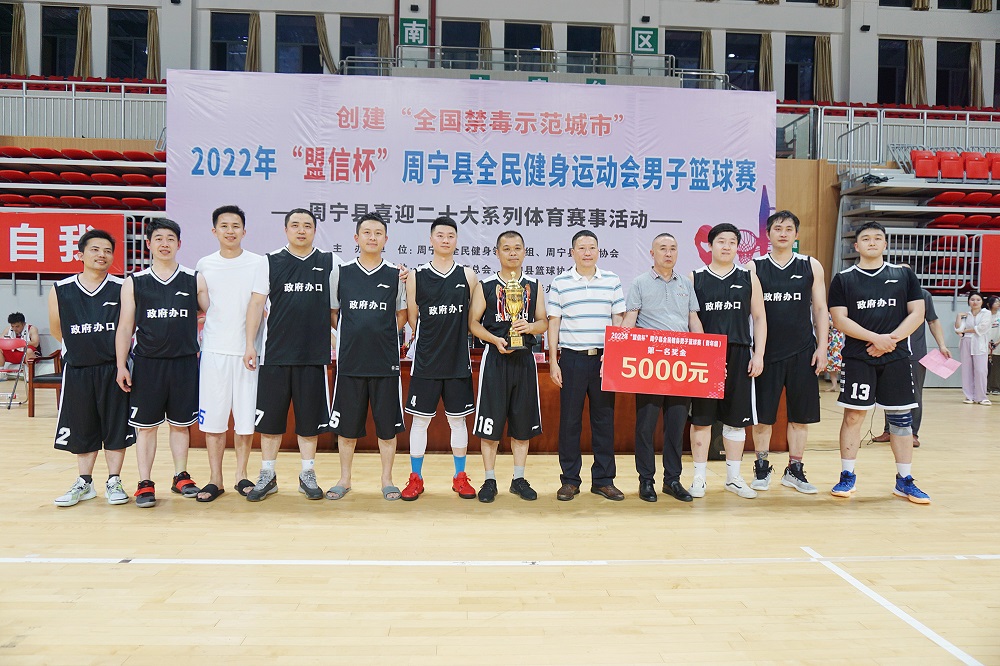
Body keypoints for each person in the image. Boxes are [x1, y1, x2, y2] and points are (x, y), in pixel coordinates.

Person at [828, 221, 929, 504]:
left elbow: (917, 313)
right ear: (856, 245)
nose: (871, 242)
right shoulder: (844, 279)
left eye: (877, 238)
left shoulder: (903, 275)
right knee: (853, 416)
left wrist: (890, 341)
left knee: (901, 419)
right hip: (858, 358)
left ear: (885, 244)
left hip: (897, 358)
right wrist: (876, 339)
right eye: (866, 238)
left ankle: (904, 480)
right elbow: (839, 319)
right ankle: (847, 475)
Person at [243, 208, 338, 502]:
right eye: (295, 225)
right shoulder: (270, 261)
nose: (301, 230)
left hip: (313, 356)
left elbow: (349, 291)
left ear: (314, 231)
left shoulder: (330, 261)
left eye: (307, 225)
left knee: (309, 422)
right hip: (275, 355)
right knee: (270, 422)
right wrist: (250, 345)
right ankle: (267, 474)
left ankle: (307, 474)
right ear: (286, 230)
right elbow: (256, 304)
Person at [116, 219, 209, 508]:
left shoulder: (194, 278)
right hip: (148, 364)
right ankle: (145, 482)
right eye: (159, 238)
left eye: (170, 238)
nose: (165, 244)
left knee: (181, 425)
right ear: (149, 244)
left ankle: (181, 476)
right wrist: (121, 365)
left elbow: (215, 314)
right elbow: (125, 327)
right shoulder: (135, 282)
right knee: (146, 427)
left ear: (179, 244)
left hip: (184, 363)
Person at [325, 212, 407, 501]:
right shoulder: (341, 272)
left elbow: (402, 315)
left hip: (385, 363)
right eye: (367, 232)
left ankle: (387, 480)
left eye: (378, 233)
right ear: (356, 237)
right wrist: (350, 336)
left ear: (386, 239)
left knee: (387, 428)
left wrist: (382, 335)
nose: (373, 237)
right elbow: (333, 313)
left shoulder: (396, 274)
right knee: (347, 428)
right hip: (350, 363)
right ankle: (344, 479)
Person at [48, 229, 133, 507]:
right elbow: (57, 329)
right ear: (80, 254)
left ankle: (114, 480)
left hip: (113, 369)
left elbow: (128, 327)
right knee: (83, 427)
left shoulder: (122, 287)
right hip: (78, 370)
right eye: (95, 249)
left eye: (108, 251)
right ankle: (84, 482)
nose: (102, 255)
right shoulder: (61, 289)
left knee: (116, 427)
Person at [400, 216, 479, 501]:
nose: (445, 240)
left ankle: (460, 477)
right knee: (420, 422)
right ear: (431, 239)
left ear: (456, 240)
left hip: (457, 362)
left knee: (458, 422)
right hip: (426, 362)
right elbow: (413, 318)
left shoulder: (468, 276)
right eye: (440, 235)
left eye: (451, 236)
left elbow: (472, 320)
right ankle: (416, 478)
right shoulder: (416, 276)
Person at [749, 211, 827, 494]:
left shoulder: (810, 265)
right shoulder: (754, 267)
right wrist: (755, 352)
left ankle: (795, 469)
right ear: (768, 234)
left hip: (803, 352)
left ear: (796, 234)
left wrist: (822, 347)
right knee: (762, 417)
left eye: (788, 229)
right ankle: (761, 467)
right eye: (778, 228)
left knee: (800, 417)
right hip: (766, 354)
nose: (783, 233)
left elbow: (820, 309)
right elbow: (752, 314)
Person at [193, 205, 268, 502]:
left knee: (245, 420)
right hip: (214, 351)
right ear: (214, 231)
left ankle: (241, 475)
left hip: (248, 353)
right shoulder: (204, 264)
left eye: (236, 226)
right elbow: (204, 306)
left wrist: (251, 344)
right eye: (224, 226)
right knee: (214, 420)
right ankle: (215, 478)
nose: (230, 231)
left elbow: (260, 306)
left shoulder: (258, 263)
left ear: (244, 231)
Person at [620, 232, 702, 503]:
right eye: (663, 248)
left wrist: (708, 357)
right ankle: (646, 480)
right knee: (645, 426)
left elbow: (693, 320)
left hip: (680, 362)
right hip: (650, 364)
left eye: (673, 248)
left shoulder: (686, 284)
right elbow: (630, 320)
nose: (668, 253)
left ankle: (672, 480)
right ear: (652, 254)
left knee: (676, 425)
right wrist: (616, 353)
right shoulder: (640, 283)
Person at [468, 230, 548, 503]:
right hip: (495, 359)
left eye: (517, 248)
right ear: (497, 252)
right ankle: (489, 479)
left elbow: (543, 322)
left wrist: (530, 327)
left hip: (524, 360)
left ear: (524, 252)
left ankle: (518, 478)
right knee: (489, 425)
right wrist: (494, 339)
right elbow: (473, 323)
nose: (512, 253)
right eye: (506, 248)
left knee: (522, 426)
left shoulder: (534, 285)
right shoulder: (486, 285)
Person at [688, 223, 767, 499]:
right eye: (721, 241)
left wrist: (759, 354)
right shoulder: (695, 277)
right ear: (710, 245)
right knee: (702, 420)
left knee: (736, 420)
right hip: (705, 355)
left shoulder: (748, 277)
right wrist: (703, 352)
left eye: (732, 242)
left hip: (739, 353)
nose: (726, 246)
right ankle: (699, 478)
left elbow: (759, 317)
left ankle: (733, 478)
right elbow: (690, 318)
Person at [548, 230, 626, 502]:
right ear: (572, 252)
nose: (587, 252)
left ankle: (604, 480)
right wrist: (553, 360)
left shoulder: (611, 280)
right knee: (570, 422)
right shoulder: (560, 282)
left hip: (604, 360)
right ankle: (570, 480)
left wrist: (614, 355)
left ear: (598, 251)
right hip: (572, 359)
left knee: (604, 421)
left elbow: (619, 319)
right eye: (581, 248)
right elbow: (554, 322)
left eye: (592, 247)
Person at [872, 268, 952, 446]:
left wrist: (942, 345)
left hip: (915, 353)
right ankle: (889, 430)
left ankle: (913, 433)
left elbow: (933, 321)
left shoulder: (923, 295)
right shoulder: (886, 293)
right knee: (889, 391)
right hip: (889, 351)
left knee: (914, 393)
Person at [954, 291, 991, 406]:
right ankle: (969, 396)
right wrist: (958, 316)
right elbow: (958, 329)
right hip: (966, 342)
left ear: (982, 302)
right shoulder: (966, 315)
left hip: (979, 343)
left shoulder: (986, 313)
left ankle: (981, 397)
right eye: (972, 299)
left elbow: (982, 328)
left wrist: (964, 331)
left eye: (978, 300)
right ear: (968, 301)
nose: (975, 302)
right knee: (966, 370)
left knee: (981, 370)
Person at [2, 312, 40, 377]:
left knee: (28, 350)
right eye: (12, 326)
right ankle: (1, 372)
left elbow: (35, 343)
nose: (14, 329)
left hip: (27, 354)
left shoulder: (32, 329)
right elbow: (1, 342)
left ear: (23, 324)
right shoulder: (8, 329)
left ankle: (29, 374)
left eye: (17, 326)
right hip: (14, 353)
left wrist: (19, 343)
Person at [824, 314, 845, 392]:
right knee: (831, 363)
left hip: (838, 339)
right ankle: (834, 385)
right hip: (829, 339)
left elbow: (843, 325)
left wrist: (830, 323)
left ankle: (844, 385)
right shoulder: (826, 313)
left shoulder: (840, 312)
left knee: (840, 361)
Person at [987, 296, 1000, 395]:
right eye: (995, 302)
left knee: (996, 366)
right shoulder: (984, 315)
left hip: (998, 344)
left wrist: (998, 342)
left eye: (999, 302)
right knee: (985, 367)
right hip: (985, 344)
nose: (998, 303)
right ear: (989, 304)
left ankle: (995, 387)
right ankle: (985, 387)